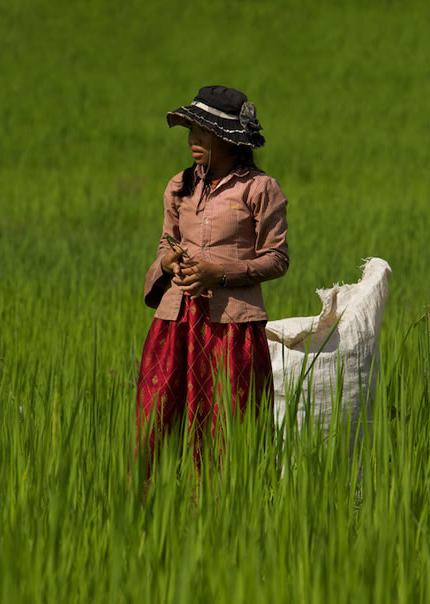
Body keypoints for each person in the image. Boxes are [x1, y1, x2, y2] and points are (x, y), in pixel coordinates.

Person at [136, 85, 289, 466]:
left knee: (229, 429)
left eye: (202, 130)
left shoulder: (260, 188)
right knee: (157, 425)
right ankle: (154, 514)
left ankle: (225, 514)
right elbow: (165, 242)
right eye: (191, 129)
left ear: (226, 138)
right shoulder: (179, 185)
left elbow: (277, 258)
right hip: (175, 324)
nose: (193, 138)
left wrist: (218, 274)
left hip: (232, 329)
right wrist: (168, 263)